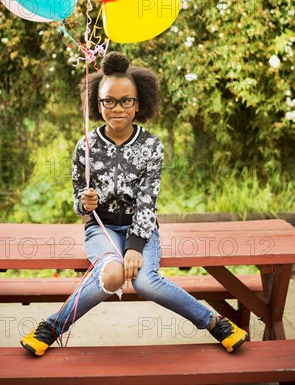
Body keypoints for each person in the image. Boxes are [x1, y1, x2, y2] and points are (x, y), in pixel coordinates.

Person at [21, 51, 248, 356]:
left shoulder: (151, 145)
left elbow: (147, 199)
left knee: (146, 283)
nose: (117, 108)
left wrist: (135, 246)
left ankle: (215, 323)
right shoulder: (85, 146)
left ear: (139, 103)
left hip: (140, 228)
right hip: (102, 228)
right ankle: (51, 328)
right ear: (96, 104)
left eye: (126, 100)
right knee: (113, 274)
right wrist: (84, 202)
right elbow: (77, 199)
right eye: (108, 101)